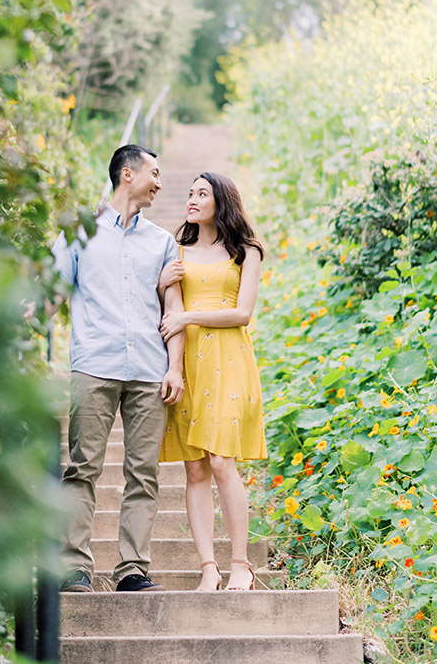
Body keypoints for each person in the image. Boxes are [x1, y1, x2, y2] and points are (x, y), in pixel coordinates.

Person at [53, 144, 185, 593]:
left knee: (143, 472)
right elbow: (52, 290)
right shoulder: (79, 232)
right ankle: (74, 567)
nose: (160, 183)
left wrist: (176, 368)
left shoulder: (163, 242)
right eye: (154, 173)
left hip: (149, 367)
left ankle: (132, 568)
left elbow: (174, 311)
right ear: (127, 175)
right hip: (94, 363)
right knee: (82, 466)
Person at [158, 172, 266, 592]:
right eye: (189, 193)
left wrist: (188, 316)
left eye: (201, 193)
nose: (191, 198)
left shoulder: (246, 251)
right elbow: (170, 313)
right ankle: (208, 568)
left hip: (230, 358)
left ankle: (241, 563)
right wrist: (173, 364)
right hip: (188, 362)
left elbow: (242, 314)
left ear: (221, 201)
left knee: (222, 461)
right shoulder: (177, 251)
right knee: (195, 468)